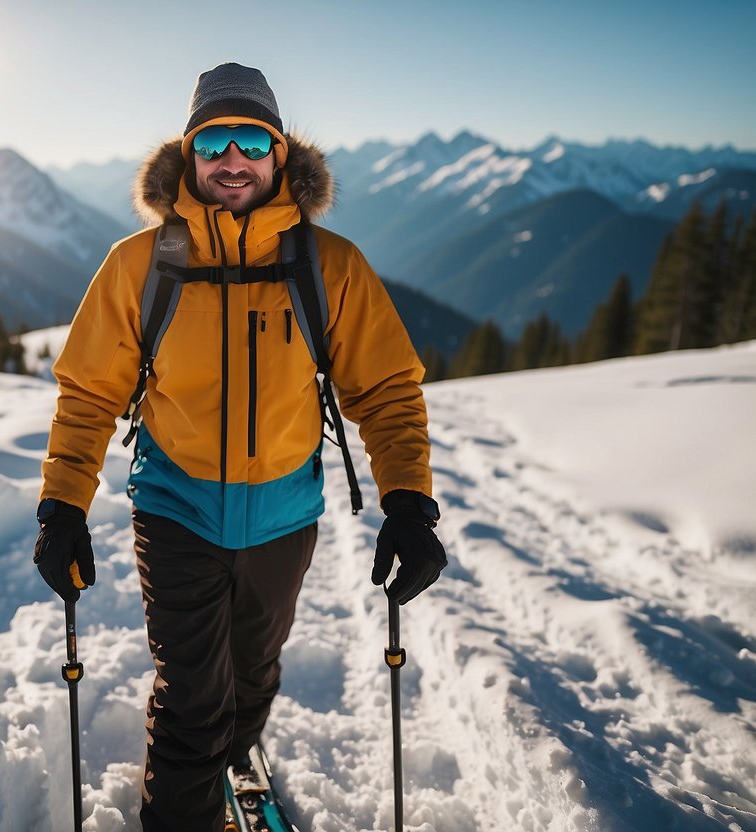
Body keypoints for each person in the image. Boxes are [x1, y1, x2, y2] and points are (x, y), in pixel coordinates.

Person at [34, 62, 447, 832]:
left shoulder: (330, 268)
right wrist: (62, 507)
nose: (232, 159)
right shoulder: (139, 266)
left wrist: (409, 506)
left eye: (250, 140)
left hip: (284, 514)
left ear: (278, 153)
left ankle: (239, 748)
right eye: (213, 140)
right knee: (192, 699)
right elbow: (89, 394)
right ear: (188, 156)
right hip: (175, 507)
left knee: (253, 673)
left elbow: (386, 391)